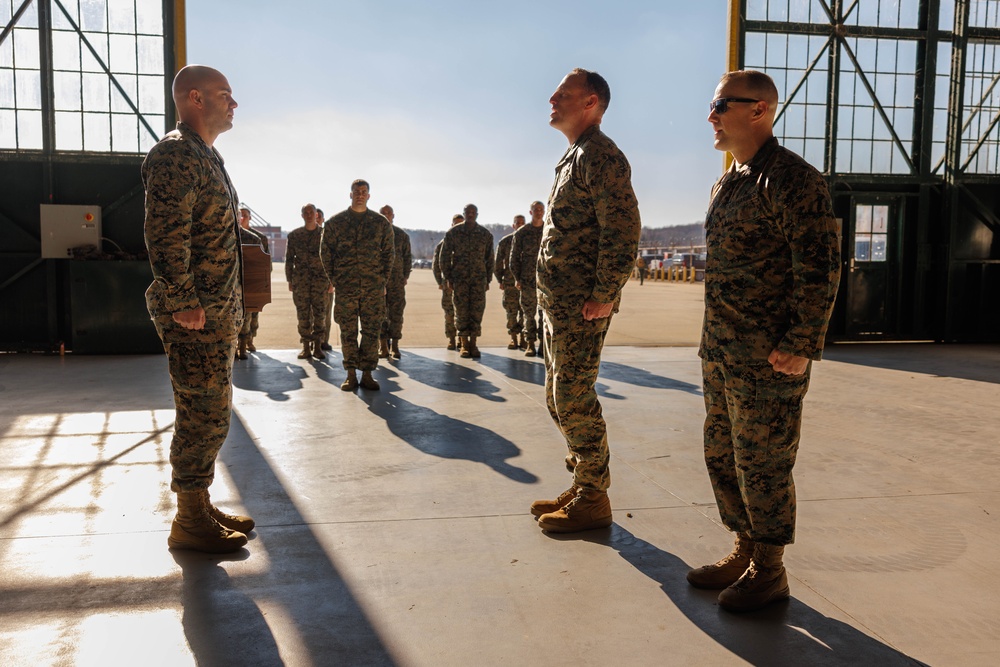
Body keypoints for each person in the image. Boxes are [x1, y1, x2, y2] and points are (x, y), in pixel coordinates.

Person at [686, 70, 841, 613]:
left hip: (769, 355)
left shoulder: (793, 180)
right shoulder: (730, 180)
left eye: (721, 104)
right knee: (723, 454)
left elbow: (820, 267)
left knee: (764, 460)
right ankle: (744, 549)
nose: (711, 115)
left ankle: (770, 569)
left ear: (760, 110)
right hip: (724, 348)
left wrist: (802, 342)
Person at [143, 64, 252, 554]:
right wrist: (182, 300)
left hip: (215, 311)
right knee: (202, 412)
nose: (234, 104)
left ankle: (198, 503)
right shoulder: (175, 154)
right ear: (195, 98)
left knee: (210, 411)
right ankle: (189, 521)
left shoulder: (207, 157)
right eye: (225, 95)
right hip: (195, 313)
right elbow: (166, 232)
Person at [530, 69, 640, 534]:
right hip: (559, 303)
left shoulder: (601, 155)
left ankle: (594, 496)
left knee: (572, 396)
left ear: (590, 102)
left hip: (581, 304)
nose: (552, 98)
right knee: (559, 398)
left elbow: (623, 230)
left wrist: (604, 293)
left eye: (564, 93)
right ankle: (583, 481)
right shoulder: (573, 157)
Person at [321, 179, 394, 391]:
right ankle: (351, 374)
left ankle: (368, 374)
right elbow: (325, 252)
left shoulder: (380, 223)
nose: (360, 194)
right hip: (346, 287)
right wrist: (335, 279)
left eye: (364, 192)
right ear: (350, 194)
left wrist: (383, 280)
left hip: (373, 287)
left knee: (371, 330)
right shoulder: (336, 223)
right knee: (348, 331)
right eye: (356, 191)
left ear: (369, 196)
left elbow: (389, 254)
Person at [440, 203, 494, 358]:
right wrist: (448, 277)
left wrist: (488, 279)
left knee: (477, 311)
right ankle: (464, 343)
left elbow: (490, 258)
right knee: (461, 311)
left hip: (478, 280)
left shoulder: (484, 234)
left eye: (473, 212)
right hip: (460, 280)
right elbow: (444, 257)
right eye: (467, 212)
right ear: (464, 214)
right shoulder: (454, 232)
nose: (470, 215)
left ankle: (474, 344)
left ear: (477, 214)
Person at [286, 203, 330, 360]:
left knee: (320, 314)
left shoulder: (326, 235)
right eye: (306, 212)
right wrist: (289, 280)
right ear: (302, 215)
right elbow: (289, 260)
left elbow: (332, 259)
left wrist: (332, 282)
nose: (309, 215)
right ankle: (305, 346)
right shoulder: (295, 235)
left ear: (317, 214)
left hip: (321, 282)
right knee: (303, 314)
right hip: (301, 281)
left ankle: (318, 346)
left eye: (312, 212)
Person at [510, 201, 545, 357]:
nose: (539, 212)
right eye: (535, 210)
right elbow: (514, 258)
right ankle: (530, 344)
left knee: (545, 315)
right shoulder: (522, 233)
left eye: (541, 209)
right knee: (528, 314)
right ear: (530, 212)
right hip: (528, 280)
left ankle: (544, 345)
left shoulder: (549, 230)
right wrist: (517, 278)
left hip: (546, 281)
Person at [378, 204, 412, 360]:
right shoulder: (373, 234)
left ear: (393, 215)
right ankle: (383, 346)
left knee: (396, 313)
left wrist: (405, 276)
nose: (386, 215)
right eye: (383, 213)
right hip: (377, 282)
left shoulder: (401, 236)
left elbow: (407, 258)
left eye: (388, 213)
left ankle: (395, 346)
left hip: (396, 282)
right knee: (379, 314)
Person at [236, 205, 270, 359]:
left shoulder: (254, 238)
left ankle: (244, 345)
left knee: (249, 317)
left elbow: (263, 263)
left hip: (248, 285)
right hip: (229, 288)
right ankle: (235, 345)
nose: (240, 218)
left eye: (243, 216)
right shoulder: (223, 237)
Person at [494, 214, 525, 350]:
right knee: (511, 312)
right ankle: (513, 338)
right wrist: (500, 279)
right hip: (510, 282)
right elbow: (498, 263)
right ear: (513, 226)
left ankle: (524, 338)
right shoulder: (505, 242)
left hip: (526, 283)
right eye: (517, 223)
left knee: (526, 312)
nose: (520, 225)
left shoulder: (529, 241)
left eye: (522, 223)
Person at [432, 214, 463, 350]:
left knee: (463, 313)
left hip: (464, 284)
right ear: (451, 225)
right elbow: (436, 264)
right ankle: (451, 338)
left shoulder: (468, 243)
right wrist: (440, 281)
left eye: (460, 224)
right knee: (449, 312)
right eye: (455, 223)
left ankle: (463, 340)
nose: (458, 226)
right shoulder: (444, 243)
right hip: (448, 285)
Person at [316, 207, 335, 352]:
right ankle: (312, 342)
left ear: (323, 219)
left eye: (319, 217)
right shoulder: (304, 235)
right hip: (310, 283)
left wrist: (332, 282)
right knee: (310, 315)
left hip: (326, 283)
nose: (316, 219)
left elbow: (335, 260)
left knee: (326, 314)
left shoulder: (329, 236)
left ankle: (324, 341)